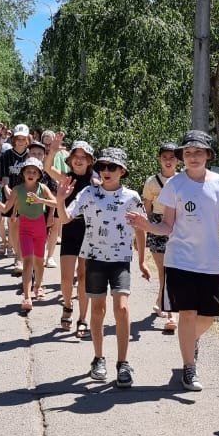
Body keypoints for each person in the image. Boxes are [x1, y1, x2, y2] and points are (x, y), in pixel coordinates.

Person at [128, 130, 219, 392]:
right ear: (182, 157)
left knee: (208, 318)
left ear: (208, 155)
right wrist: (147, 225)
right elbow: (168, 225)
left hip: (210, 262)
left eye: (198, 152)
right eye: (188, 152)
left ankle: (190, 340)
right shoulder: (175, 185)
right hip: (179, 260)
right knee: (187, 314)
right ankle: (189, 368)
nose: (193, 157)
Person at [56, 147, 150, 387]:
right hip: (95, 259)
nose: (106, 171)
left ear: (122, 171)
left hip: (120, 260)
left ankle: (123, 363)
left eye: (112, 167)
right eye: (102, 167)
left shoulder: (132, 197)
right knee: (98, 310)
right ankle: (98, 358)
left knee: (122, 309)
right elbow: (65, 218)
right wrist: (59, 199)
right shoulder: (88, 193)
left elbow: (141, 228)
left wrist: (142, 260)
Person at [0, 158, 56, 312]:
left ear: (39, 175)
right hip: (25, 229)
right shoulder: (17, 189)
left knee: (39, 262)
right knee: (27, 261)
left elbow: (56, 203)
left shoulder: (43, 188)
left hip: (40, 229)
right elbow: (5, 209)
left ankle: (38, 286)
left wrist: (40, 200)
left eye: (34, 172)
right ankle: (27, 296)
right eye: (28, 171)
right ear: (23, 173)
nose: (31, 174)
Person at [44, 134, 94, 336]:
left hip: (89, 232)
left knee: (83, 277)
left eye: (83, 157)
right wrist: (53, 150)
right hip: (70, 229)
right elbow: (47, 168)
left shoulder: (95, 181)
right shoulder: (67, 178)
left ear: (89, 160)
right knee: (66, 279)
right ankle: (67, 306)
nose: (79, 160)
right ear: (70, 159)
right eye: (75, 156)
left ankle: (83, 318)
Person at [142, 142, 179, 333]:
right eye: (165, 157)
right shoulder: (151, 182)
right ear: (159, 159)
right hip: (157, 224)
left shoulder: (183, 180)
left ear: (178, 160)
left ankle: (165, 307)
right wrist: (146, 229)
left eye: (172, 157)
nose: (168, 161)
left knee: (171, 270)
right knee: (164, 270)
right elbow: (147, 207)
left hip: (177, 224)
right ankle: (168, 309)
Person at [0, 123, 32, 273]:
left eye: (23, 138)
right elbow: (3, 178)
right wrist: (6, 189)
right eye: (18, 138)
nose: (21, 141)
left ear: (27, 139)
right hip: (11, 195)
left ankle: (23, 257)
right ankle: (18, 255)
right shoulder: (6, 156)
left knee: (26, 225)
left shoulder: (31, 155)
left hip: (28, 195)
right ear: (14, 139)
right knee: (13, 224)